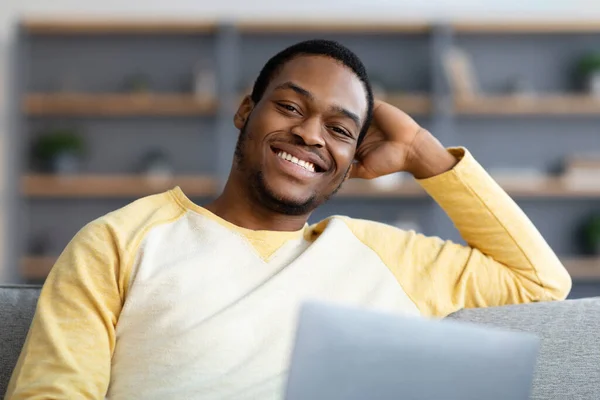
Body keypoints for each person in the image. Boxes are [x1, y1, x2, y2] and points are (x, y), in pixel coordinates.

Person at [5, 39, 571, 400]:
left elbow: (540, 283)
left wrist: (423, 150)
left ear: (351, 163)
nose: (310, 134)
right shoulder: (120, 240)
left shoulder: (385, 255)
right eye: (291, 107)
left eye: (341, 130)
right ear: (246, 111)